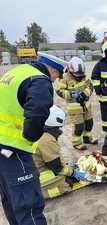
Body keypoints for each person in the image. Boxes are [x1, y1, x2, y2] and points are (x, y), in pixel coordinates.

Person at [0, 52, 66, 225]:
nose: (55, 80)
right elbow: (38, 110)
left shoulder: (18, 71)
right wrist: (31, 137)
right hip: (13, 149)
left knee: (11, 199)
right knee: (28, 204)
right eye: (57, 76)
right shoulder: (40, 79)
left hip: (2, 147)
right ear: (52, 69)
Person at [33, 105, 88, 199]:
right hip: (39, 177)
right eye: (58, 127)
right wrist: (73, 172)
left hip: (34, 170)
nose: (59, 130)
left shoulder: (37, 131)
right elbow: (56, 167)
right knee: (67, 183)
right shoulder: (47, 140)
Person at [56, 57, 98, 150]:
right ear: (71, 70)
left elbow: (90, 86)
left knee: (89, 123)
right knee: (78, 126)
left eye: (80, 74)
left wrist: (85, 94)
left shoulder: (83, 76)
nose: (79, 76)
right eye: (77, 75)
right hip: (74, 108)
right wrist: (71, 94)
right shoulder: (64, 77)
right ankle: (76, 143)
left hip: (86, 105)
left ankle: (87, 138)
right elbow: (59, 91)